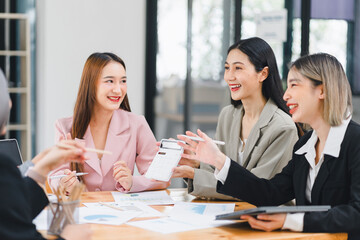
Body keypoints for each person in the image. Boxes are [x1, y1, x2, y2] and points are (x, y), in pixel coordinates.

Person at [178, 53, 360, 239]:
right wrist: (218, 160)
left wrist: (290, 221)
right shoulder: (305, 144)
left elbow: (357, 213)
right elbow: (270, 193)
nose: (286, 94)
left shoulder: (355, 141)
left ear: (322, 91)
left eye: (294, 85)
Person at [172, 37, 299, 200]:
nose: (229, 77)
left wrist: (196, 175)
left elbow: (255, 188)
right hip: (230, 211)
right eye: (227, 68)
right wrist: (197, 163)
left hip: (266, 218)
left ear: (263, 74)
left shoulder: (282, 128)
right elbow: (222, 170)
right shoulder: (228, 116)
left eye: (238, 68)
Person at [49, 52, 169, 194]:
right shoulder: (65, 127)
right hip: (83, 211)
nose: (118, 90)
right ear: (91, 84)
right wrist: (64, 184)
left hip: (123, 213)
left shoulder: (136, 124)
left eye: (123, 81)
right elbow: (56, 175)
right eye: (110, 81)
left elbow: (161, 177)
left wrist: (132, 182)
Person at [0, 69, 92, 240]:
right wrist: (69, 238)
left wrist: (41, 168)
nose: (10, 104)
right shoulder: (3, 166)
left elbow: (8, 212)